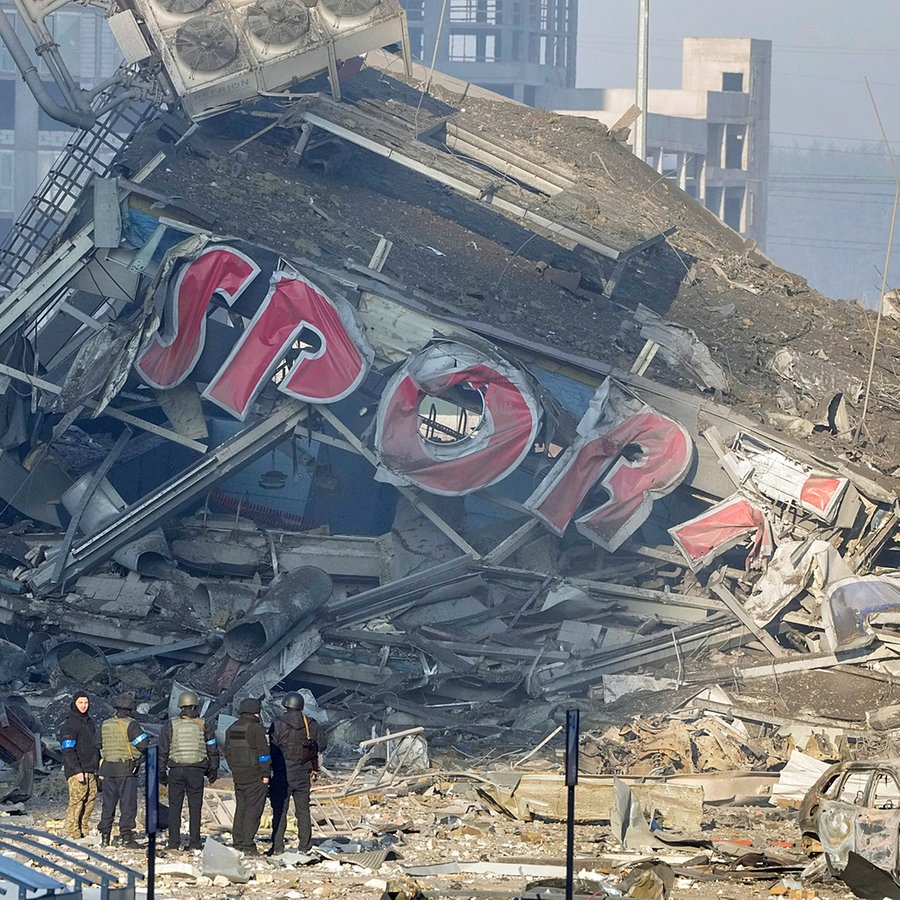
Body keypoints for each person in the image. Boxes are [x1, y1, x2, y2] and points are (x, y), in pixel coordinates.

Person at [157, 690, 219, 852]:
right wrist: (213, 770)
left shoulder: (170, 725)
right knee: (195, 807)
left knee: (175, 807)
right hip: (196, 771)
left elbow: (163, 750)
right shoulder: (205, 724)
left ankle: (173, 842)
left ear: (181, 707)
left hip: (176, 770)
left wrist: (161, 772)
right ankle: (195, 842)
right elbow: (212, 748)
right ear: (195, 706)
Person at [269, 691, 324, 855]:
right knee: (303, 812)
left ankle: (278, 847)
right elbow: (322, 744)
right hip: (303, 773)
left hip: (282, 773)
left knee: (280, 811)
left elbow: (272, 747)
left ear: (286, 705)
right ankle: (305, 846)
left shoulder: (278, 723)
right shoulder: (310, 723)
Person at [98, 693, 149, 849]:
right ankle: (127, 837)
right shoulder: (131, 725)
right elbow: (143, 744)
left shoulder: (105, 724)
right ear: (130, 710)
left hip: (107, 769)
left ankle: (105, 837)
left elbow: (97, 743)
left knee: (108, 804)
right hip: (125, 770)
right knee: (127, 804)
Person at [224, 697, 270, 855]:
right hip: (255, 776)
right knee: (253, 811)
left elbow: (228, 752)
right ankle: (248, 845)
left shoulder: (232, 728)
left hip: (238, 775)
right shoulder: (256, 729)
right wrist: (266, 774)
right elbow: (264, 754)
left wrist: (234, 768)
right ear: (256, 712)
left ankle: (237, 842)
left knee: (241, 809)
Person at [59, 690, 101, 840]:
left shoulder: (90, 722)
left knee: (90, 801)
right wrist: (76, 770)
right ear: (74, 704)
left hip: (91, 769)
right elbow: (68, 750)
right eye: (80, 703)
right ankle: (72, 832)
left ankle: (84, 829)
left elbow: (95, 746)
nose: (83, 706)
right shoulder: (70, 724)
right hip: (77, 770)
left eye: (86, 703)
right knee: (77, 801)